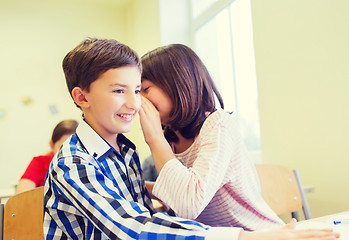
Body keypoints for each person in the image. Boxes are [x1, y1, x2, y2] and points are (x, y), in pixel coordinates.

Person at [43, 38, 339, 240]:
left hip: (258, 233)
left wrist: (153, 154)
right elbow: (134, 226)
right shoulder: (76, 161)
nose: (136, 103)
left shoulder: (133, 150)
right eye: (122, 91)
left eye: (140, 89)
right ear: (82, 97)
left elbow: (167, 206)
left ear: (177, 84)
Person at [139, 44, 285, 229]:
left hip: (261, 233)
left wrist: (154, 138)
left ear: (176, 84)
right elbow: (177, 195)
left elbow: (189, 203)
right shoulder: (171, 139)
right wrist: (141, 187)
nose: (139, 100)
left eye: (145, 89)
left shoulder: (218, 125)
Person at [16, 119, 78, 194]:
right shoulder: (40, 162)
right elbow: (22, 195)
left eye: (75, 148)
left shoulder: (88, 164)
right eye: (63, 147)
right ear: (52, 145)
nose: (69, 153)